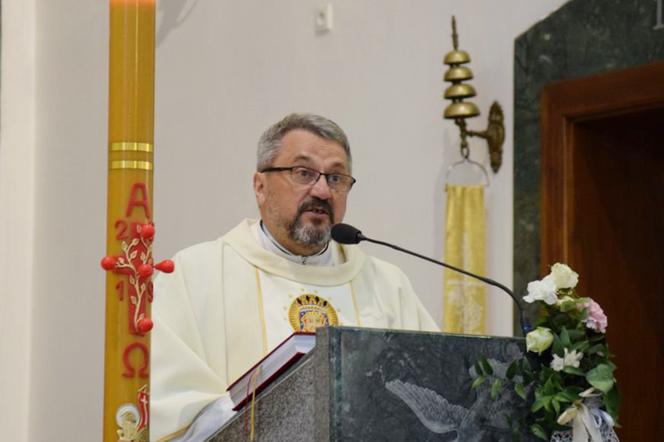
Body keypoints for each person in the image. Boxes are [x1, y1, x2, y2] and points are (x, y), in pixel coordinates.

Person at [150, 113, 439, 441]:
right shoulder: (192, 275)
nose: (322, 190)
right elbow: (170, 403)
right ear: (260, 187)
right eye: (304, 173)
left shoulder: (388, 286)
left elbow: (433, 397)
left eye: (336, 178)